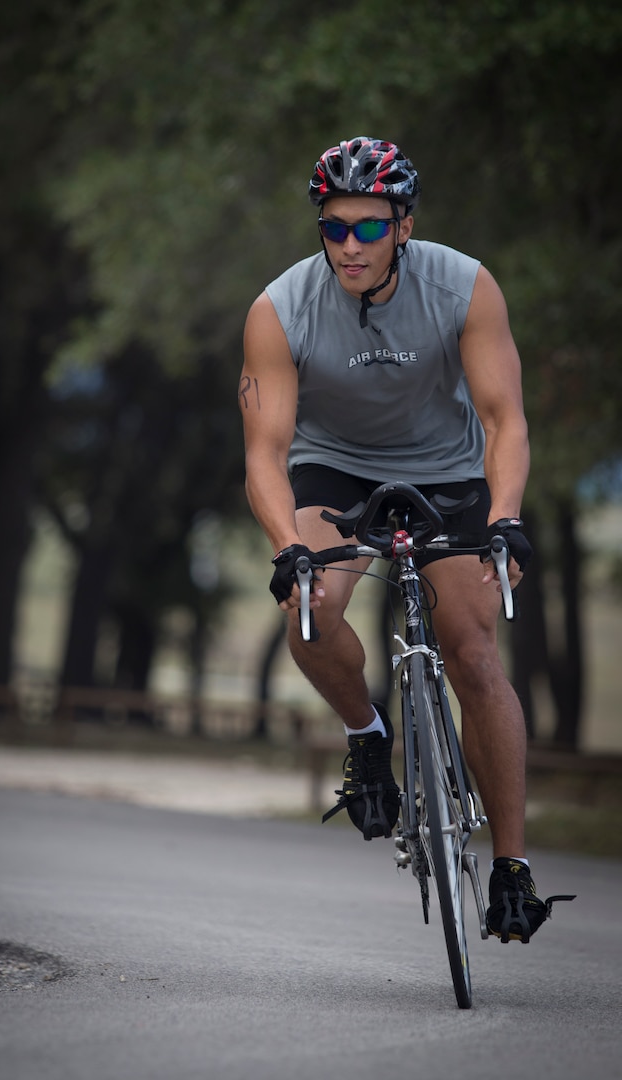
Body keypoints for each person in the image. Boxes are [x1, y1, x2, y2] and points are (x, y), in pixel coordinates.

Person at [239, 136, 571, 945]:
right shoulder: (279, 308)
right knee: (308, 611)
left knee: (473, 650)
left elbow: (504, 419)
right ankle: (367, 737)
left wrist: (506, 517)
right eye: (334, 227)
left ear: (404, 226)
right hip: (334, 469)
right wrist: (290, 546)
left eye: (369, 228)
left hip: (450, 473)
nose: (349, 246)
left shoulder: (464, 285)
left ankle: (512, 871)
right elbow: (264, 454)